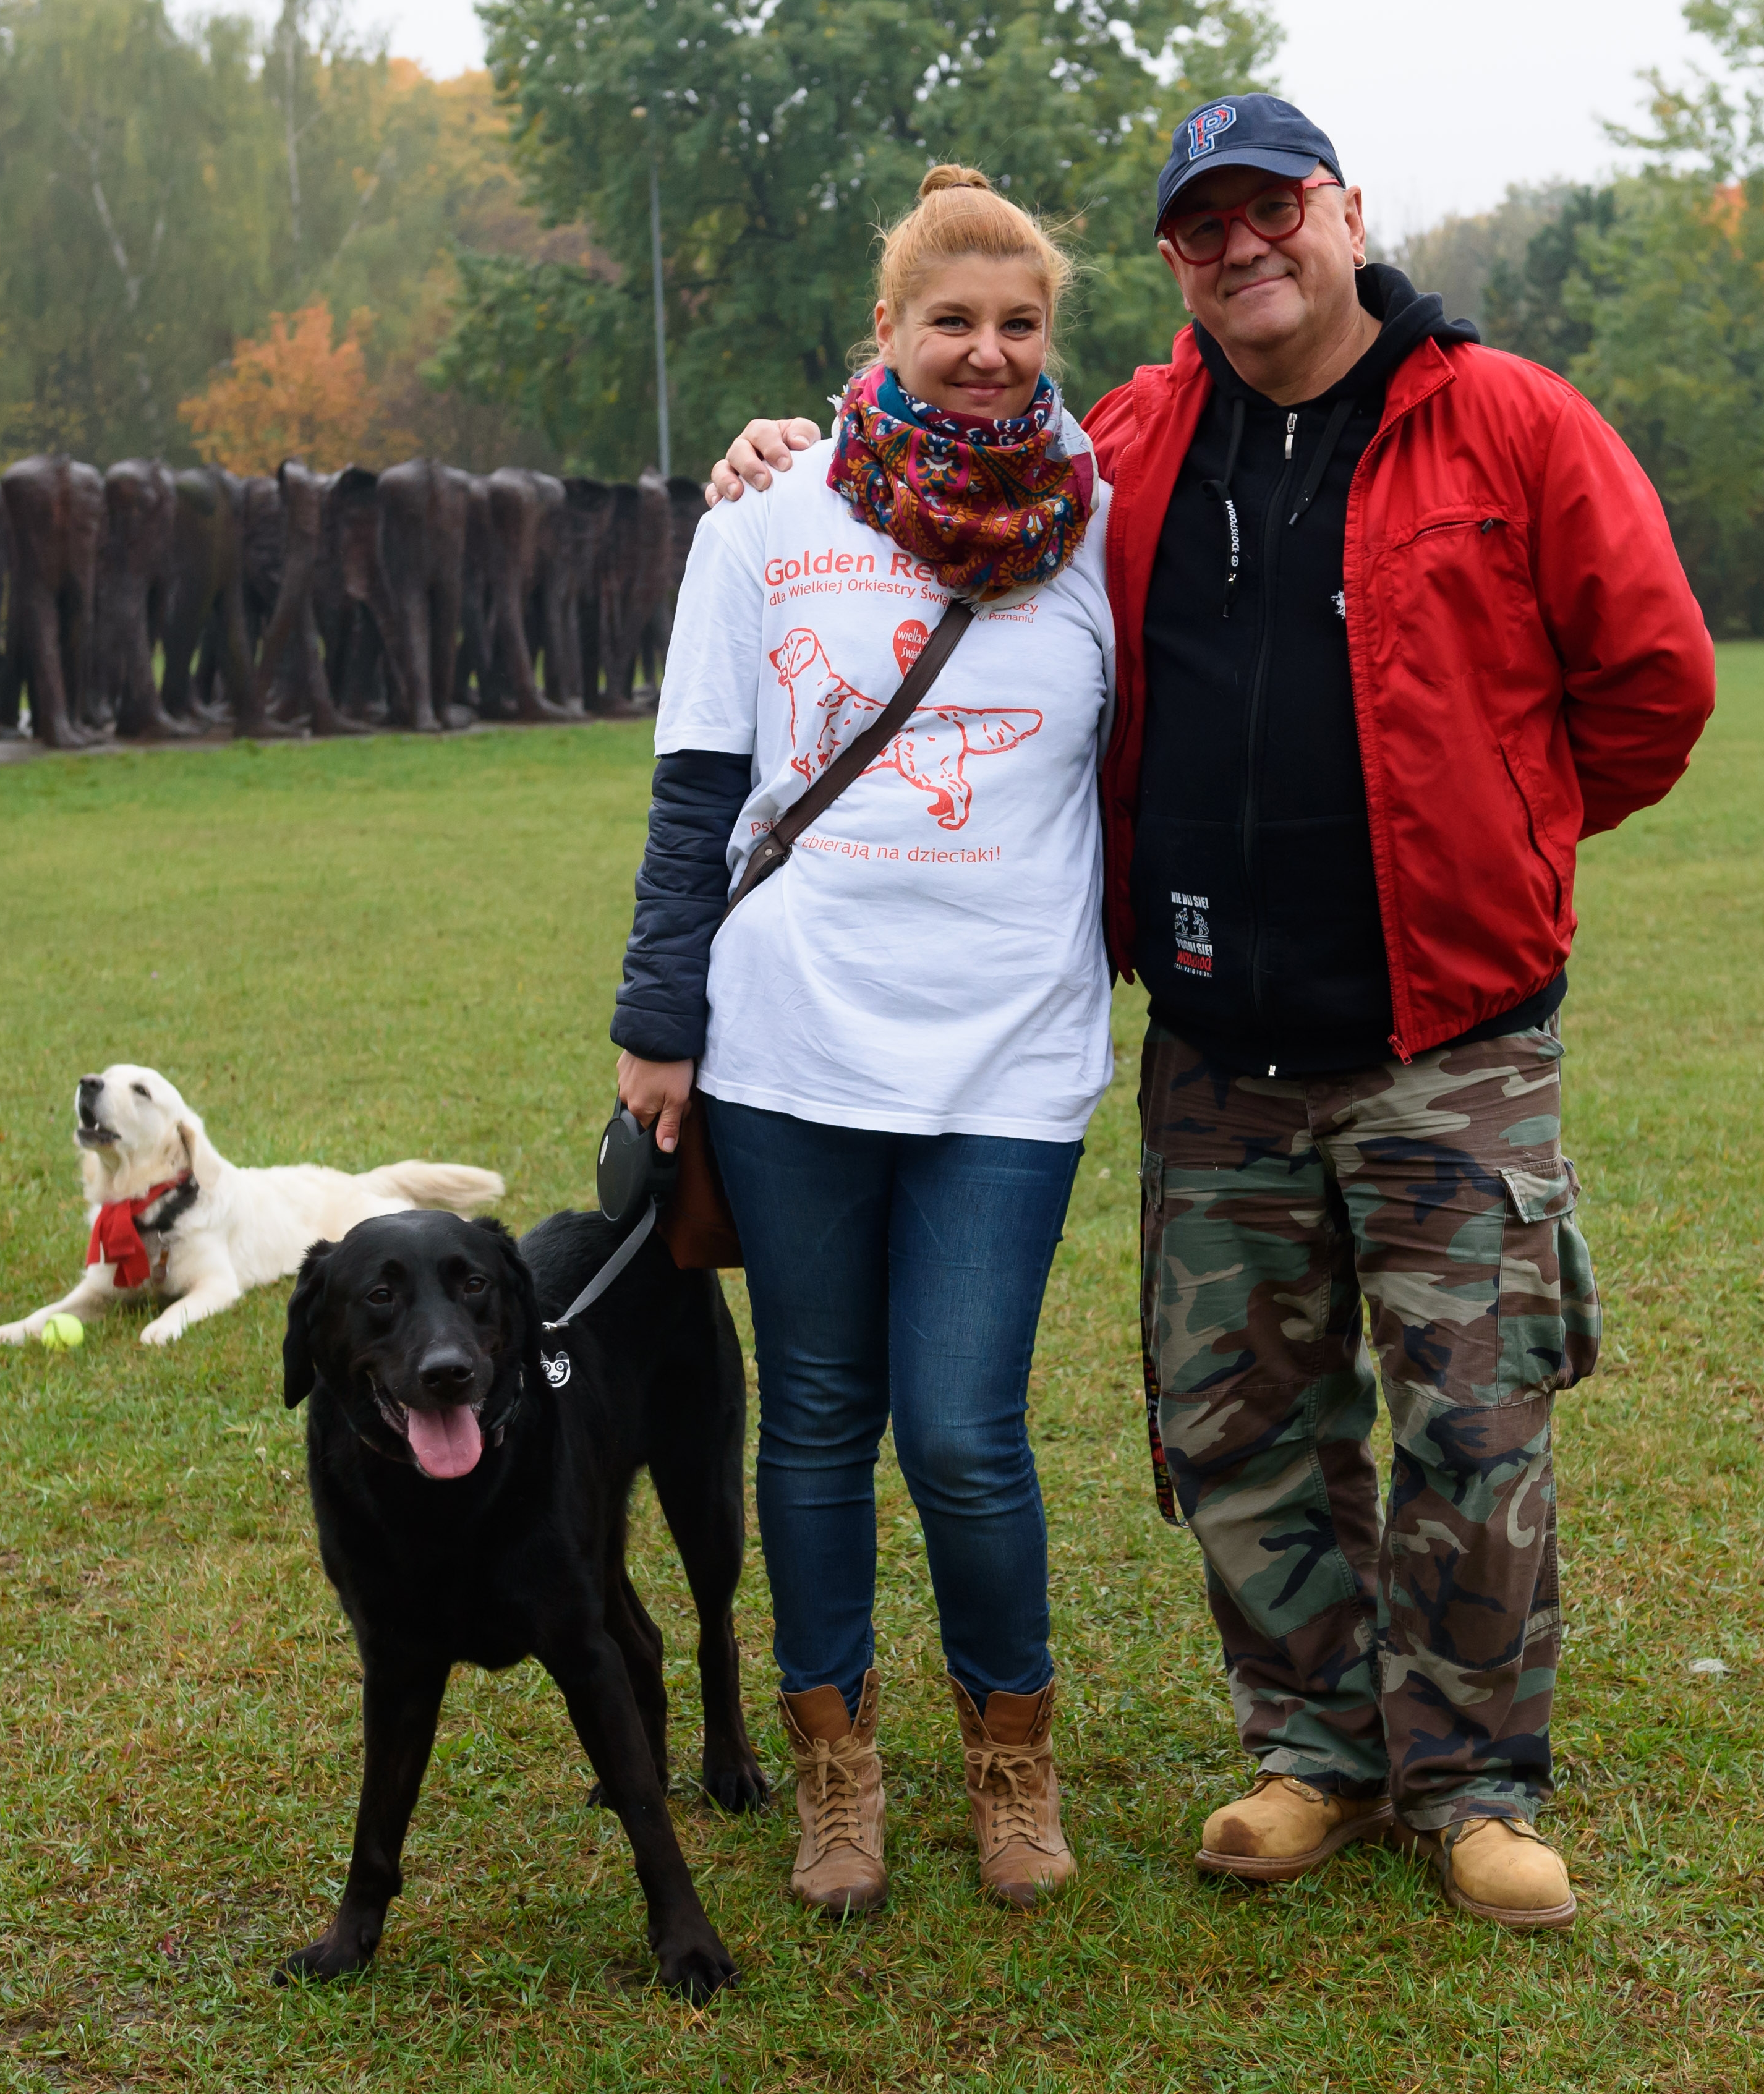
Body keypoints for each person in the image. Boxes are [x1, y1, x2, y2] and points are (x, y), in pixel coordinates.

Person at [705, 94, 1715, 1930]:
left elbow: (1655, 677)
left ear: (1344, 211)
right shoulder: (1129, 444)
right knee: (1244, 1423)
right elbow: (950, 479)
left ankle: (1476, 1784)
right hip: (1220, 1051)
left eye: (1276, 210)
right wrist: (787, 446)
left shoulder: (1509, 421)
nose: (1244, 246)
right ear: (1176, 259)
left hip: (1449, 1044)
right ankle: (1315, 1754)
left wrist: (1509, 831)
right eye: (1203, 227)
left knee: (1473, 1423)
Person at [612, 164, 1117, 1915]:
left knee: (966, 1427)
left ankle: (1011, 1754)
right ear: (885, 338)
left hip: (1013, 1053)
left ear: (1052, 339)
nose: (986, 354)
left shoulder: (1104, 520)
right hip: (791, 1047)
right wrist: (654, 1020)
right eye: (950, 323)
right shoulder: (767, 517)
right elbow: (696, 793)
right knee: (816, 1415)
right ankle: (836, 1769)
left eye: (1019, 325)